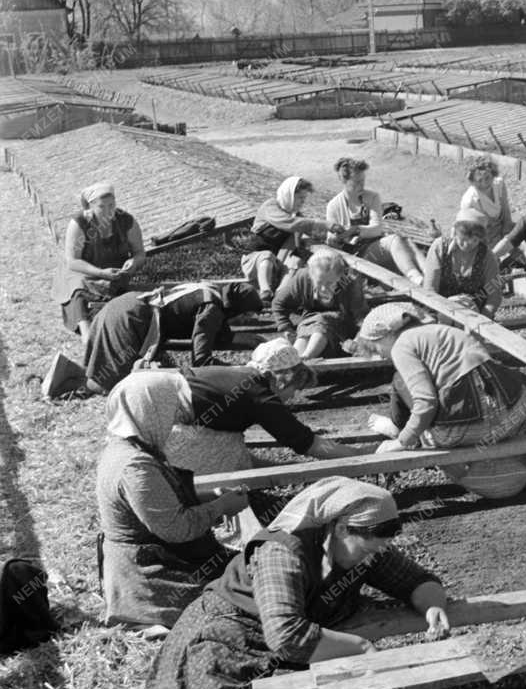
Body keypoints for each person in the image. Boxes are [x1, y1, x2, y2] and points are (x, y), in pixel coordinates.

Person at [59, 477, 450, 689]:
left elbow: (414, 580)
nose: (373, 557)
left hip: (277, 652)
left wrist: (432, 604)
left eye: (379, 549)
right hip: (226, 643)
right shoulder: (285, 552)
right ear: (339, 527)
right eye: (368, 547)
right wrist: (361, 649)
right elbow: (287, 633)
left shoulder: (365, 546)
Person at [96, 371, 249, 634]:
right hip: (150, 571)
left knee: (244, 571)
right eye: (169, 409)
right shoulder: (135, 466)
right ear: (151, 410)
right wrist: (222, 506)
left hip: (149, 557)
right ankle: (145, 615)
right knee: (239, 593)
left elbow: (160, 500)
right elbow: (175, 528)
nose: (174, 418)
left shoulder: (126, 448)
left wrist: (210, 495)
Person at [353, 302, 526, 499]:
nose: (381, 355)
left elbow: (426, 401)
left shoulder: (402, 345)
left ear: (386, 335)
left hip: (469, 426)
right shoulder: (445, 331)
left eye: (376, 348)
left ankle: (399, 430)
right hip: (514, 413)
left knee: (403, 386)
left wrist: (402, 442)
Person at [165, 337, 354, 476]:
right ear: (283, 380)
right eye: (295, 389)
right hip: (163, 429)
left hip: (160, 413)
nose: (294, 396)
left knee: (230, 442)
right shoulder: (260, 395)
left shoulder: (239, 376)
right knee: (224, 456)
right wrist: (357, 456)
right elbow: (308, 443)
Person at [72, 281, 264, 395]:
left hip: (126, 304)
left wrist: (254, 341)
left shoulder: (211, 291)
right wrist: (244, 372)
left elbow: (220, 336)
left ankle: (71, 381)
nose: (243, 319)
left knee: (102, 373)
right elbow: (201, 359)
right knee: (109, 384)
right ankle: (68, 386)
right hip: (133, 317)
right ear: (237, 307)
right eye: (245, 315)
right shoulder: (211, 308)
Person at [52, 182, 145, 342]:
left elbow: (140, 253)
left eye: (112, 205)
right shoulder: (80, 224)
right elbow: (73, 261)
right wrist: (101, 273)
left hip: (115, 273)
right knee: (79, 289)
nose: (109, 211)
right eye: (102, 207)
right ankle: (87, 334)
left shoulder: (126, 221)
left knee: (125, 298)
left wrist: (133, 262)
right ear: (90, 207)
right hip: (83, 272)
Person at [240, 177, 343, 306]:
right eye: (300, 198)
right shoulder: (271, 206)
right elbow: (290, 224)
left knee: (296, 260)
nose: (302, 202)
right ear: (288, 195)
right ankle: (265, 291)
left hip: (277, 264)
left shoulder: (297, 216)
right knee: (267, 255)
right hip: (254, 262)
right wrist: (325, 224)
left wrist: (334, 237)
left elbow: (310, 231)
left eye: (304, 199)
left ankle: (279, 295)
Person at [325, 158, 426, 284]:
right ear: (344, 181)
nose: (361, 185)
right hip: (355, 258)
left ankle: (426, 275)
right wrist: (334, 238)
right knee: (394, 240)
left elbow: (377, 229)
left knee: (405, 241)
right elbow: (332, 240)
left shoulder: (372, 197)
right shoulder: (333, 206)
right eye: (356, 182)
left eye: (363, 181)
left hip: (373, 248)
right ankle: (417, 277)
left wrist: (355, 230)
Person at [271, 248, 368, 359]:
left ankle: (306, 357)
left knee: (321, 323)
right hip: (309, 325)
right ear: (311, 276)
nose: (323, 288)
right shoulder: (302, 277)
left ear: (339, 277)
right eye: (319, 282)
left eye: (330, 283)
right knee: (305, 332)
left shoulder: (349, 282)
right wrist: (286, 328)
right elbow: (278, 303)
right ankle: (295, 360)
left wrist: (356, 340)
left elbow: (361, 316)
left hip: (342, 331)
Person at [422, 208, 502, 317]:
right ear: (455, 233)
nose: (467, 244)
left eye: (474, 240)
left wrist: (482, 319)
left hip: (474, 312)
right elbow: (430, 289)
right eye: (463, 239)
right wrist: (439, 315)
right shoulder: (439, 247)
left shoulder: (487, 257)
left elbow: (494, 296)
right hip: (440, 307)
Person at [460, 156, 512, 249]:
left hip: (502, 229)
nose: (484, 183)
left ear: (493, 174)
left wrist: (507, 233)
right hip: (484, 237)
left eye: (487, 178)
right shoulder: (469, 200)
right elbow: (472, 232)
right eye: (479, 180)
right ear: (472, 181)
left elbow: (505, 209)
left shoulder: (499, 184)